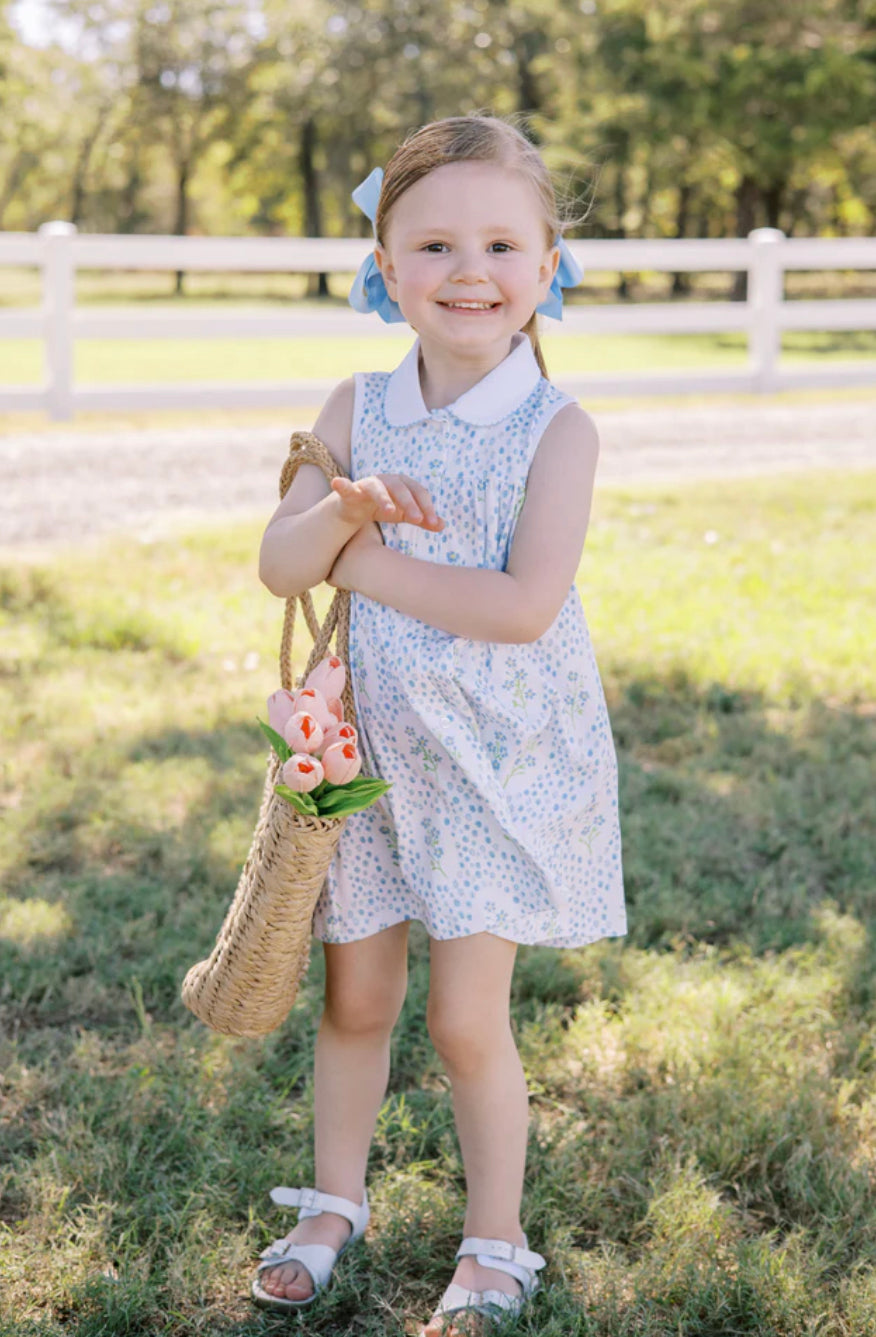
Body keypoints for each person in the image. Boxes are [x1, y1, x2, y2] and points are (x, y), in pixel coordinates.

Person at [252, 111, 627, 1336]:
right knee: (355, 999)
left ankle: (495, 1241)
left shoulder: (555, 428)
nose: (471, 272)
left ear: (548, 265)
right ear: (386, 267)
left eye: (503, 246)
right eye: (435, 246)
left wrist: (358, 563)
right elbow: (279, 562)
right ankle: (332, 1203)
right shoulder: (356, 404)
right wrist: (338, 514)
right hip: (368, 759)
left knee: (466, 1020)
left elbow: (521, 607)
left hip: (494, 764)